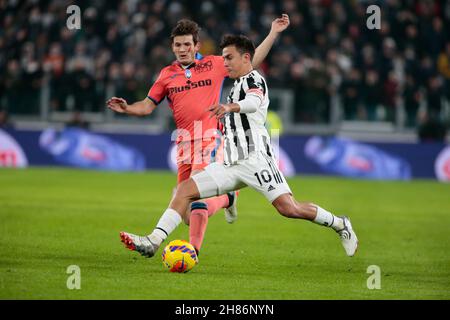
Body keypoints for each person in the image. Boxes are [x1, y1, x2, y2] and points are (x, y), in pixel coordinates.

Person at [121, 34, 359, 261]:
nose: (225, 62)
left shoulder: (255, 80)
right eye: (223, 57)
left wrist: (230, 108)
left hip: (256, 161)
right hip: (230, 162)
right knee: (184, 191)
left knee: (289, 208)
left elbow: (254, 102)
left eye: (229, 57)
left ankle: (340, 223)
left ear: (246, 58)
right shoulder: (234, 85)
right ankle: (152, 241)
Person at [107, 16, 291, 257]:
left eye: (187, 45)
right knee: (184, 211)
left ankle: (187, 251)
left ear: (196, 46)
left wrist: (273, 33)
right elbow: (147, 106)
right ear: (172, 47)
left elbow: (251, 61)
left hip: (211, 138)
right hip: (184, 142)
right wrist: (128, 108)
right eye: (177, 45)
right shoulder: (166, 75)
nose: (182, 50)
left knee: (195, 201)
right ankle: (227, 198)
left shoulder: (214, 64)